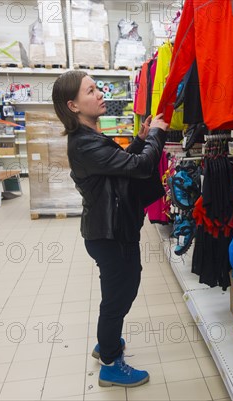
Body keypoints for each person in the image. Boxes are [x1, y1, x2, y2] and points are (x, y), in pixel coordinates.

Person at [52, 70, 168, 387]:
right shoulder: (83, 144)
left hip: (109, 230)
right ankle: (110, 362)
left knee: (119, 293)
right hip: (110, 234)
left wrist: (141, 139)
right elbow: (140, 167)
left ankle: (108, 342)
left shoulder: (89, 138)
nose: (100, 94)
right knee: (119, 298)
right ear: (73, 105)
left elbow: (115, 164)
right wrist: (157, 135)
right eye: (91, 91)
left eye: (97, 88)